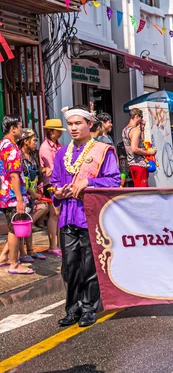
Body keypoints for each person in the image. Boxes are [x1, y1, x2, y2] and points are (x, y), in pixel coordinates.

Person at [52, 105, 120, 327]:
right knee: (70, 266)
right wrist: (57, 191)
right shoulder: (62, 153)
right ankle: (72, 308)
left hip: (91, 216)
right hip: (68, 216)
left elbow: (114, 181)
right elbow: (54, 182)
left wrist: (88, 182)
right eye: (70, 124)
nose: (72, 128)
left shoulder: (102, 151)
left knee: (90, 265)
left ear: (90, 124)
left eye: (77, 123)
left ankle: (90, 308)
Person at [0, 116, 31, 274]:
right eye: (20, 126)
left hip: (4, 194)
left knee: (13, 227)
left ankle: (4, 257)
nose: (21, 129)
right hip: (12, 195)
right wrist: (19, 199)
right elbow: (13, 175)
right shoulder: (11, 148)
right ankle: (14, 263)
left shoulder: (2, 144)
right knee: (15, 229)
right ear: (12, 129)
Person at [19, 128, 49, 261]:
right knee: (20, 226)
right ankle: (22, 253)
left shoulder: (32, 157)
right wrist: (30, 192)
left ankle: (30, 250)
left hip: (31, 197)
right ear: (25, 141)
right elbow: (18, 179)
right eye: (34, 140)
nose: (36, 143)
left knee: (29, 223)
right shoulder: (18, 158)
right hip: (21, 197)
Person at [39, 119, 65, 257]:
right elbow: (53, 167)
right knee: (54, 214)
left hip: (58, 182)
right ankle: (53, 245)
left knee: (58, 214)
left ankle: (59, 244)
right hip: (51, 184)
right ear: (51, 131)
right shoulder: (46, 147)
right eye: (58, 130)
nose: (60, 133)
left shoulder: (57, 145)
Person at [122, 108, 155, 187]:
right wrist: (150, 152)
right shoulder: (135, 130)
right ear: (137, 116)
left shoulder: (125, 130)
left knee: (137, 189)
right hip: (139, 164)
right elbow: (134, 148)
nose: (142, 120)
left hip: (131, 164)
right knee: (143, 192)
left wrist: (142, 128)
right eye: (141, 117)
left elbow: (141, 141)